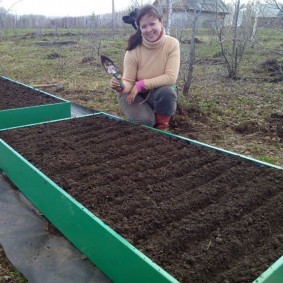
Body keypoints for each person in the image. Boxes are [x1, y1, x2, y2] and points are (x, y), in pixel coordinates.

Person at [110, 4, 180, 131]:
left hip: (156, 93)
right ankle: (145, 115)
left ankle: (161, 129)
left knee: (168, 92)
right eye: (144, 26)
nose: (149, 29)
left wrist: (141, 85)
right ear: (139, 28)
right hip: (132, 94)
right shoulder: (133, 50)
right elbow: (129, 83)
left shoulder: (171, 44)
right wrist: (120, 85)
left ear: (161, 22)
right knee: (145, 122)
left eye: (152, 24)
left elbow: (170, 78)